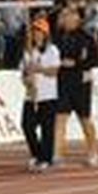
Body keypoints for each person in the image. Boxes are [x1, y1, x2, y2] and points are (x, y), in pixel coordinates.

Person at [52, 6, 98, 167]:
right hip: (62, 81)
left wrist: (76, 63)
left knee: (85, 119)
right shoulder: (57, 37)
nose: (65, 18)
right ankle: (58, 154)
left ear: (77, 19)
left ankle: (93, 151)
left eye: (69, 15)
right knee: (60, 118)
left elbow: (94, 60)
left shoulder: (86, 38)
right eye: (64, 16)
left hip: (80, 83)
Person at [20, 14, 60, 172]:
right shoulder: (28, 52)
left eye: (39, 31)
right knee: (27, 125)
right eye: (34, 31)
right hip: (32, 96)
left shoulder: (52, 50)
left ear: (45, 34)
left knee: (47, 129)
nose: (36, 34)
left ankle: (46, 158)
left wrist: (39, 69)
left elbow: (54, 71)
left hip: (48, 95)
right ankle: (36, 154)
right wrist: (27, 81)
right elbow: (23, 73)